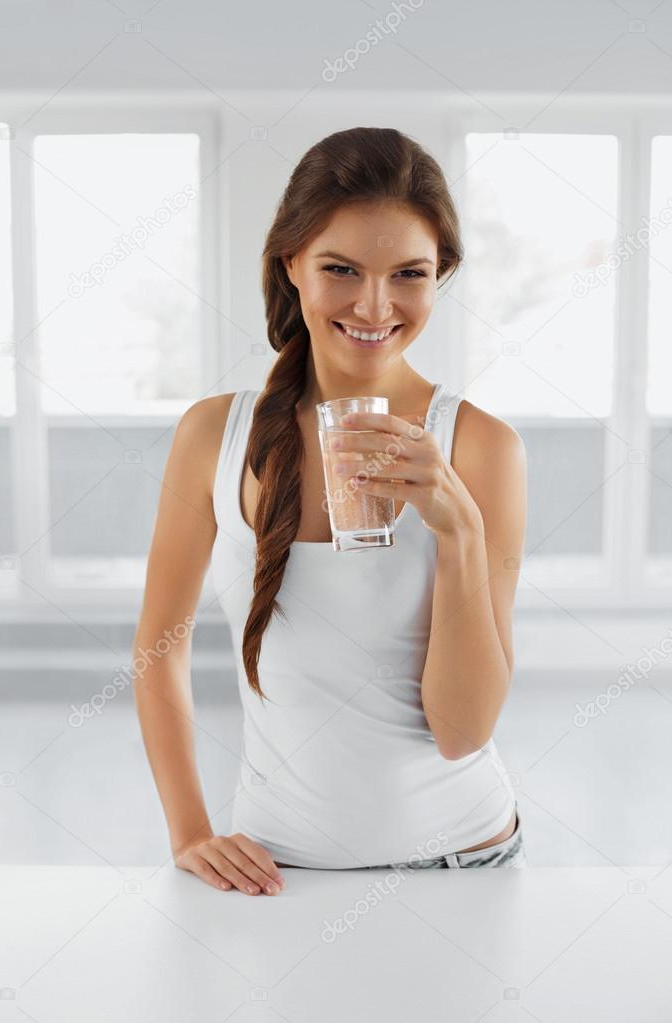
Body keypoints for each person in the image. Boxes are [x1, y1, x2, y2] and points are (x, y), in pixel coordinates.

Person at [133, 126, 528, 897]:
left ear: (439, 275)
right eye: (340, 268)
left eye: (409, 273)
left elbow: (464, 730)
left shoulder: (481, 448)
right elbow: (158, 648)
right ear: (292, 266)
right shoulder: (214, 434)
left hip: (463, 863)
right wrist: (190, 830)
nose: (374, 305)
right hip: (278, 874)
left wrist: (460, 529)